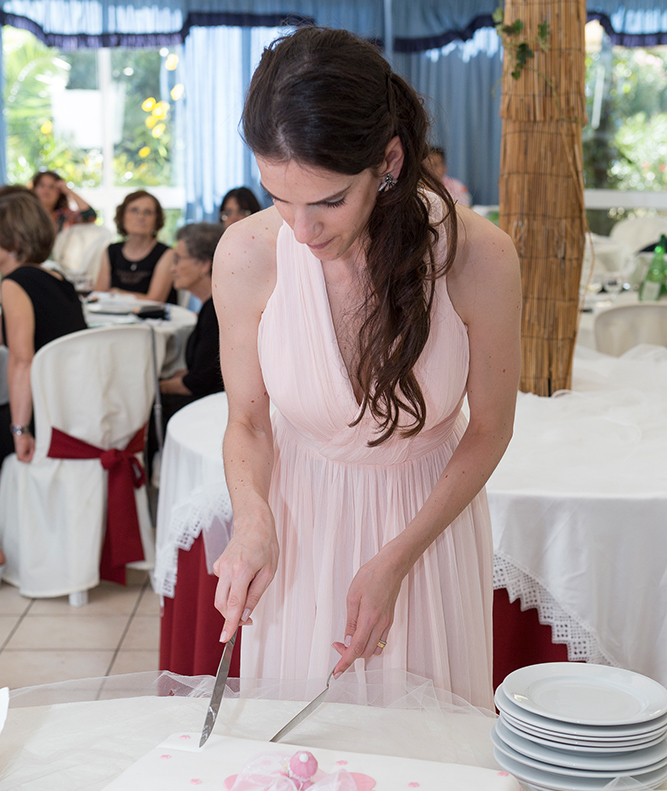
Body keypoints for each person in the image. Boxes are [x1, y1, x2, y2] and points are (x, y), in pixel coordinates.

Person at [212, 27, 521, 708]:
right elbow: (247, 419)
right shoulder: (246, 254)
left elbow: (490, 428)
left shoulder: (479, 256)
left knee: (426, 764)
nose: (301, 230)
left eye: (327, 201)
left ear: (387, 160)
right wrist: (253, 517)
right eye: (279, 197)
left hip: (423, 532)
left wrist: (396, 558)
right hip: (300, 532)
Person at [0, 192, 86, 469]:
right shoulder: (57, 278)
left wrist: (20, 430)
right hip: (73, 400)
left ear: (12, 243)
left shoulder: (15, 283)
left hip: (45, 412)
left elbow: (22, 360)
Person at [148, 222, 225, 470]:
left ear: (204, 265)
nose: (172, 268)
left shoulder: (216, 311)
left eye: (179, 259)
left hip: (211, 413)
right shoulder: (212, 306)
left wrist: (154, 387)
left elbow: (198, 382)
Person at [95, 190, 176, 303]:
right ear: (122, 216)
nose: (140, 217)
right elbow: (99, 294)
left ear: (156, 220)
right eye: (134, 210)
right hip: (113, 319)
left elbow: (155, 300)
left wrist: (116, 293)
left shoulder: (167, 254)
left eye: (147, 212)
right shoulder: (111, 250)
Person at [31, 170, 97, 233]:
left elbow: (90, 216)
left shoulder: (66, 216)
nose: (46, 190)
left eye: (51, 187)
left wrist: (68, 190)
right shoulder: (27, 213)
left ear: (59, 192)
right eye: (42, 185)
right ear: (34, 189)